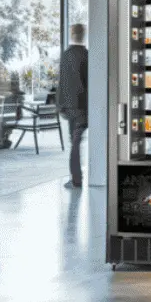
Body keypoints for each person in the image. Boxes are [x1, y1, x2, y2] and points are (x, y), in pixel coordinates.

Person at [57, 24, 89, 188]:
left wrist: (60, 105)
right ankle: (77, 178)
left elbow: (61, 82)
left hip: (71, 108)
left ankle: (76, 179)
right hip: (84, 107)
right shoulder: (87, 55)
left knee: (74, 143)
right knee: (76, 143)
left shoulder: (66, 55)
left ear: (72, 34)